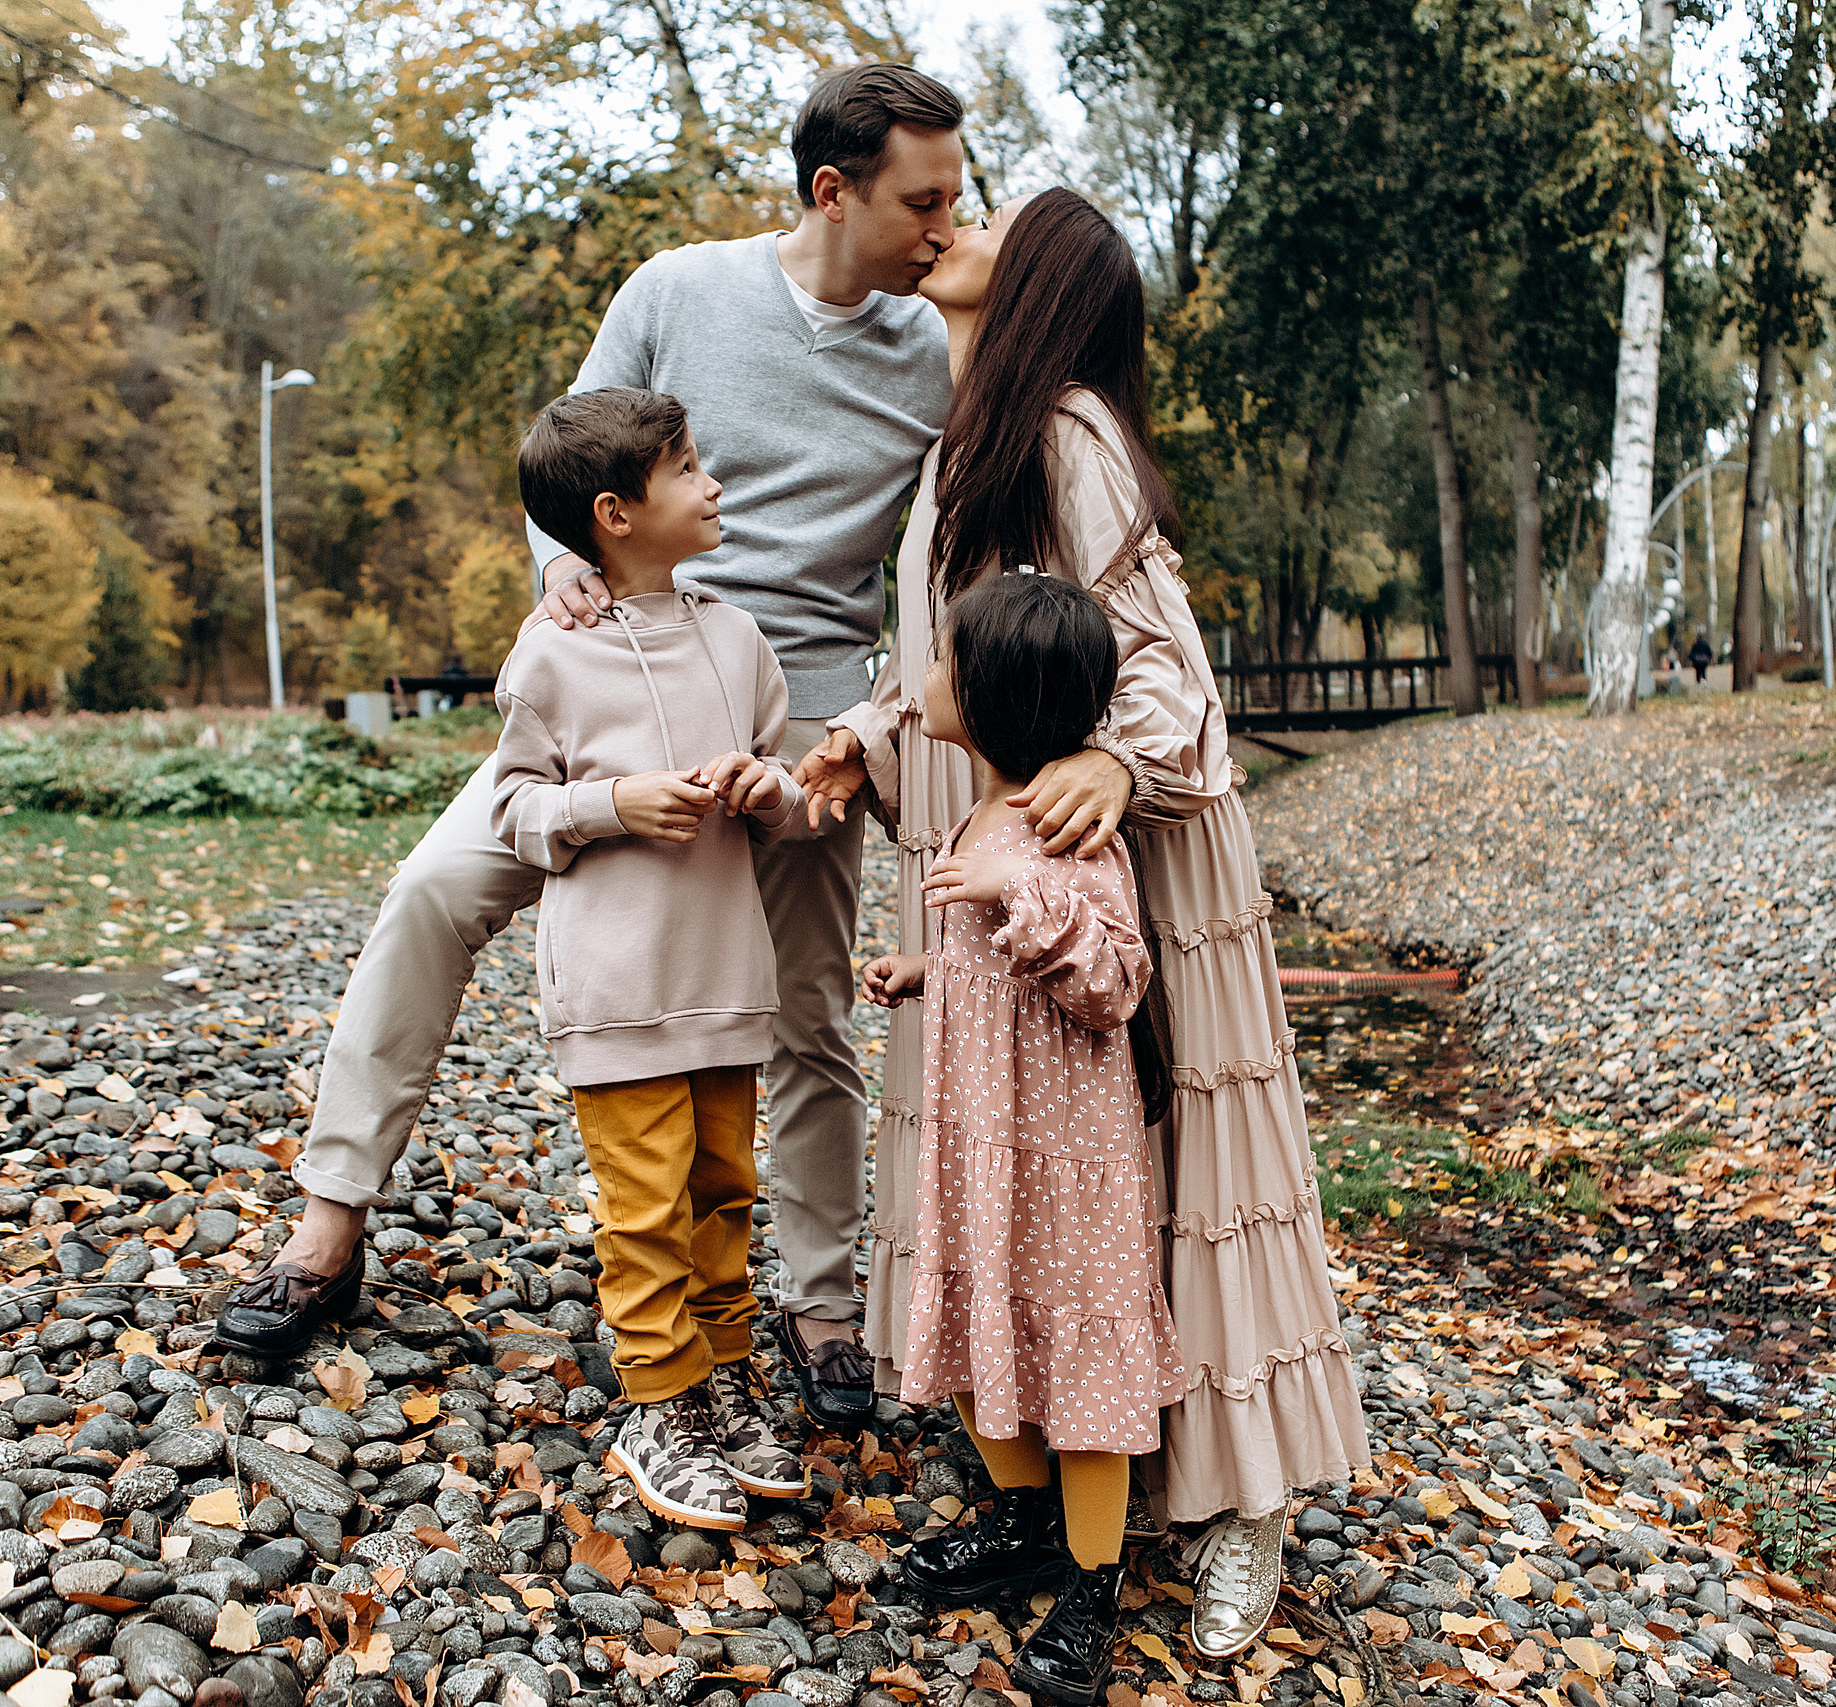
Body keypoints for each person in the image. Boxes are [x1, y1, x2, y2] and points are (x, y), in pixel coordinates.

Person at [212, 65, 969, 1427]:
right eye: (923, 202)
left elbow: (940, 561)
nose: (943, 228)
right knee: (433, 891)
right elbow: (569, 456)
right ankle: (328, 1222)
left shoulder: (932, 351)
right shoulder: (677, 290)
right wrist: (560, 572)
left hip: (790, 704)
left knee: (803, 1005)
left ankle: (819, 1301)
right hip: (613, 667)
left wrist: (862, 723)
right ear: (833, 189)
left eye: (955, 203)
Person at [797, 188, 1370, 1663]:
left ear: (1044, 275)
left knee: (1182, 1175)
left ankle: (1244, 1493)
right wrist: (861, 736)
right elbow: (958, 667)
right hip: (995, 863)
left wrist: (1118, 761)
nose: (948, 222)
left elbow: (1163, 659)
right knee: (1036, 1181)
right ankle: (1052, 1495)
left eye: (984, 211)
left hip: (1122, 863)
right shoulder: (969, 441)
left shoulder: (1068, 432)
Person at [863, 572, 1185, 1706]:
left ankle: (1092, 1581)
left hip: (1066, 1166)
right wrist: (923, 969)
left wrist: (1019, 893)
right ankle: (1025, 1521)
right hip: (976, 1152)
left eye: (946, 664)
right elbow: (986, 962)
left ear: (993, 697)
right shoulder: (981, 813)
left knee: (1084, 1372)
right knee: (960, 1323)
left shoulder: (1063, 827)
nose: (929, 680)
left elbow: (1114, 979)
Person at [488, 387, 807, 1531]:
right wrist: (612, 804)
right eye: (688, 470)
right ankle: (655, 1401)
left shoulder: (734, 633)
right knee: (645, 1209)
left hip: (726, 977)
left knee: (725, 1191)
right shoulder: (550, 657)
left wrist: (769, 790)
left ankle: (721, 1379)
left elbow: (788, 788)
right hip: (619, 992)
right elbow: (509, 812)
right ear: (616, 515)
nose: (713, 484)